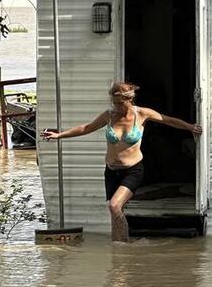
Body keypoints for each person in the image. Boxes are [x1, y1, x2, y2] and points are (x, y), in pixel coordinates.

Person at [42, 81, 202, 241]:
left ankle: (124, 245)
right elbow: (87, 128)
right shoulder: (109, 115)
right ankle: (118, 252)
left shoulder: (142, 114)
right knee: (115, 211)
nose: (117, 107)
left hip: (133, 171)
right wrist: (59, 135)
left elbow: (168, 120)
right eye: (114, 103)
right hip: (111, 171)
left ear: (129, 100)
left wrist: (190, 127)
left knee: (114, 205)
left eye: (120, 103)